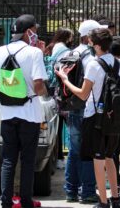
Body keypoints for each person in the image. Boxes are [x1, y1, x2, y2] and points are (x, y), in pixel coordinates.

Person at [55, 28, 120, 208]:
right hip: (114, 118)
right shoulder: (118, 62)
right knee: (110, 157)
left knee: (97, 159)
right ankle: (116, 199)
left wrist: (65, 80)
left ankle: (103, 201)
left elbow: (83, 94)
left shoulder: (94, 64)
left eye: (91, 41)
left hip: (95, 118)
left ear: (96, 45)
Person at [0, 14, 48, 208]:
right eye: (35, 31)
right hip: (30, 115)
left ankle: (6, 202)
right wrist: (47, 93)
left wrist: (8, 92)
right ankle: (26, 202)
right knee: (28, 161)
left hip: (7, 113)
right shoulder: (34, 53)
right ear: (28, 32)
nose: (36, 35)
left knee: (8, 160)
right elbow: (38, 86)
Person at [63, 20, 107, 203]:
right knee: (89, 151)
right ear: (90, 36)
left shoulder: (71, 53)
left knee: (74, 150)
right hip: (87, 108)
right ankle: (87, 191)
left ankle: (71, 190)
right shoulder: (91, 57)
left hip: (73, 107)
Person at [44, 27, 74, 170]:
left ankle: (57, 157)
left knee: (56, 127)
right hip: (64, 92)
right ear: (67, 37)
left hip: (52, 92)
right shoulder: (66, 51)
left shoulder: (50, 48)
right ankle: (70, 157)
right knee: (71, 126)